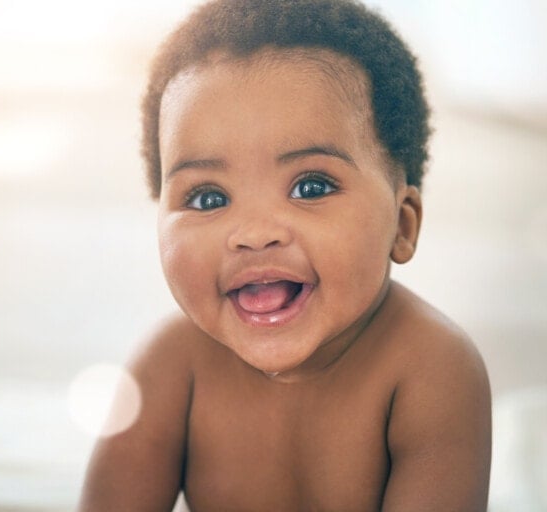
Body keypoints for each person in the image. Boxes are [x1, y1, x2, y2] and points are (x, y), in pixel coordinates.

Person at [79, 0, 492, 510]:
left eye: (311, 186)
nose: (253, 234)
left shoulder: (431, 370)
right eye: (209, 198)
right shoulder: (169, 366)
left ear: (402, 225)